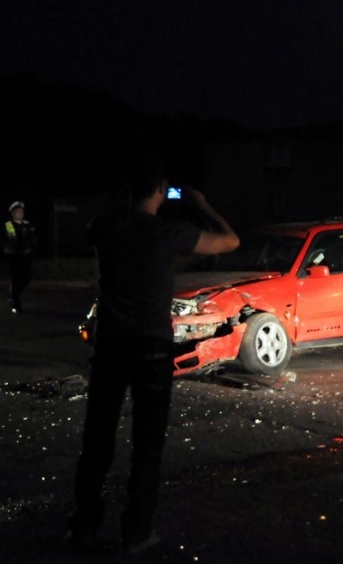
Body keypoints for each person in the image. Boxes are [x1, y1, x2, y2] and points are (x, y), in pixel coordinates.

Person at [66, 163, 240, 556]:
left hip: (112, 345)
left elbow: (94, 229)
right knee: (147, 445)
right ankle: (136, 532)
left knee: (97, 440)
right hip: (153, 348)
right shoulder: (170, 233)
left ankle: (84, 527)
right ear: (162, 189)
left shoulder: (104, 227)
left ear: (128, 190)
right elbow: (230, 241)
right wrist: (202, 204)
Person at [4, 200, 38, 314]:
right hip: (13, 255)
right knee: (16, 278)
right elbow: (9, 239)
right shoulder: (8, 225)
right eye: (17, 211)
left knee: (27, 277)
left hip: (25, 254)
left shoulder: (27, 224)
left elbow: (33, 238)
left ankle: (13, 294)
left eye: (21, 211)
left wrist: (29, 241)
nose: (20, 213)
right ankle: (16, 305)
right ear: (12, 213)